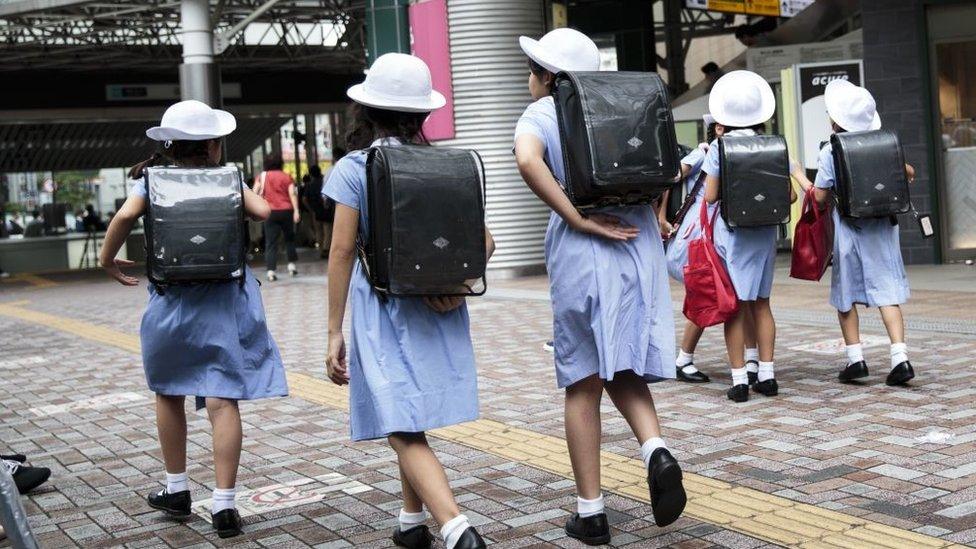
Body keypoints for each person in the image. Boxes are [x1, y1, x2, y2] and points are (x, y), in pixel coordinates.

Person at [514, 28, 686, 545]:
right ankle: (655, 449)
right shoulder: (624, 107)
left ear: (548, 76)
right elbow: (670, 167)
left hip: (585, 251)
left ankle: (592, 513)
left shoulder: (545, 110)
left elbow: (527, 159)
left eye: (534, 68)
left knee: (583, 381)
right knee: (625, 364)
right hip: (638, 249)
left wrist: (578, 217)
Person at [324, 53, 494, 549]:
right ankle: (410, 520)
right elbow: (485, 242)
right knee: (410, 411)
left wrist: (334, 330)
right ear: (421, 115)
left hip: (384, 308)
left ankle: (456, 528)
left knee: (399, 422)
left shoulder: (355, 168)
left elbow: (339, 252)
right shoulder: (443, 164)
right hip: (440, 307)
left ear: (367, 111)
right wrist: (457, 285)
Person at [98, 100, 288, 539]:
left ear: (169, 144)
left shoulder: (152, 180)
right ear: (214, 145)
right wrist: (234, 186)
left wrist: (108, 260)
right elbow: (262, 212)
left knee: (169, 393)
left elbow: (125, 216)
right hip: (224, 301)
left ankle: (177, 488)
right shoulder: (227, 177)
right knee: (223, 400)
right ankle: (224, 505)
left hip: (172, 302)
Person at [791, 80, 916, 386]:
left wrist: (797, 174)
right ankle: (900, 358)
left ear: (837, 120)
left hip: (849, 229)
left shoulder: (832, 151)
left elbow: (819, 197)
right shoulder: (883, 142)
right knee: (887, 292)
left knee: (845, 295)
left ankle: (856, 359)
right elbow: (909, 173)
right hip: (883, 227)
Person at [702, 70, 797, 403]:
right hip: (765, 234)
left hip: (733, 235)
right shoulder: (774, 145)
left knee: (734, 308)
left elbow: (711, 196)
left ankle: (740, 380)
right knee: (762, 304)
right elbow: (791, 197)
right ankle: (767, 375)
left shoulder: (719, 147)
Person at [255, 154, 299, 281]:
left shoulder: (262, 176)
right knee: (289, 239)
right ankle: (291, 265)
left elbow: (254, 192)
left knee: (270, 242)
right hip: (286, 211)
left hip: (270, 212)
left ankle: (271, 271)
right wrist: (296, 211)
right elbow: (292, 194)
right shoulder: (287, 176)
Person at [302, 161, 336, 259]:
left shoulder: (309, 185)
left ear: (311, 174)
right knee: (327, 230)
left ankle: (321, 249)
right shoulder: (324, 181)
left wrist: (310, 209)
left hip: (315, 211)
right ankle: (326, 249)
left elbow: (304, 199)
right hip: (326, 210)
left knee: (318, 231)